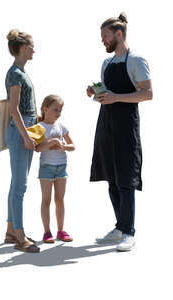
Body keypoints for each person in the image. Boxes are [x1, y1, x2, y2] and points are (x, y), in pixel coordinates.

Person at [86, 13, 153, 251]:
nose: (102, 41)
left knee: (126, 180)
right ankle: (119, 226)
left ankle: (129, 232)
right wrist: (97, 91)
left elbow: (147, 93)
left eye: (105, 36)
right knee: (111, 178)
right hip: (106, 125)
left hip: (126, 127)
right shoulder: (107, 63)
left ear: (118, 34)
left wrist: (116, 98)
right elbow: (109, 95)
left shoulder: (136, 60)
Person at [4, 29, 40, 253]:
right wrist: (26, 136)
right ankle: (19, 235)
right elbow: (13, 108)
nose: (35, 49)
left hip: (24, 128)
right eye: (32, 46)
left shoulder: (20, 71)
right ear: (23, 48)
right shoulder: (16, 74)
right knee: (20, 186)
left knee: (16, 183)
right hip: (20, 130)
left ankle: (10, 230)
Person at [35, 95, 75, 243]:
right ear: (45, 109)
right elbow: (37, 149)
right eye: (55, 109)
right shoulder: (39, 127)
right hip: (46, 167)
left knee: (60, 199)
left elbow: (73, 146)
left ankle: (60, 230)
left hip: (61, 167)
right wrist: (51, 142)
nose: (59, 113)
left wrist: (64, 146)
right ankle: (47, 232)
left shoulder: (61, 126)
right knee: (46, 200)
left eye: (60, 110)